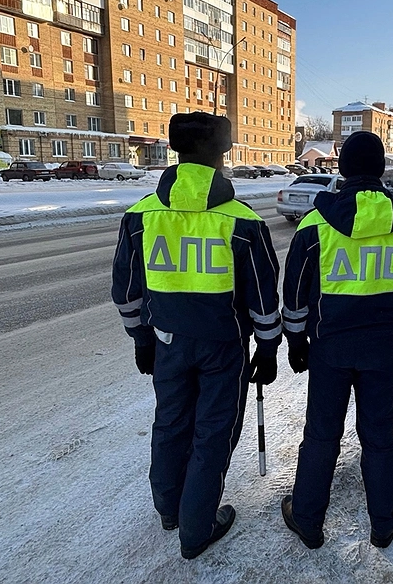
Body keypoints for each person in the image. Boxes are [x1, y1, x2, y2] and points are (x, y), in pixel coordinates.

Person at [111, 112, 282, 560]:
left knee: (170, 422)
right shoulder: (243, 222)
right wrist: (267, 347)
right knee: (213, 433)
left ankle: (169, 508)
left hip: (167, 341)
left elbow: (126, 292)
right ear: (221, 153)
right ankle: (196, 528)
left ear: (175, 150)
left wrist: (141, 339)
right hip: (223, 348)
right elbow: (263, 297)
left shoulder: (141, 215)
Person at [279, 131, 393, 550]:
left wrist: (295, 340)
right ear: (381, 169)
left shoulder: (315, 225)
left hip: (329, 350)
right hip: (384, 351)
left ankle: (307, 520)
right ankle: (384, 524)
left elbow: (295, 293)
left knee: (321, 435)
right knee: (379, 437)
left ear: (341, 169)